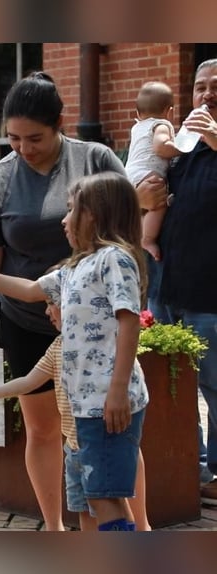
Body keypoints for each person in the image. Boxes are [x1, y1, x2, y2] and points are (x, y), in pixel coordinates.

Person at [0, 71, 127, 530]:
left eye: (33, 137)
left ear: (59, 124)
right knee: (43, 429)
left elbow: (125, 241)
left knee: (108, 433)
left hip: (96, 327)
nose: (22, 148)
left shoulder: (95, 160)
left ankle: (141, 528)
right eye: (12, 138)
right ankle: (54, 529)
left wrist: (73, 285)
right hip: (26, 321)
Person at [0, 170, 150, 531]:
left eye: (73, 209)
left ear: (96, 215)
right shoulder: (73, 268)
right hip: (85, 408)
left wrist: (118, 390)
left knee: (106, 499)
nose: (64, 219)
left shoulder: (114, 260)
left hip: (107, 404)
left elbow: (129, 320)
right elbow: (29, 289)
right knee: (93, 500)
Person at [0, 301, 151, 531]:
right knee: (86, 513)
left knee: (117, 510)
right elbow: (29, 382)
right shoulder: (58, 347)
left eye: (52, 304)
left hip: (102, 447)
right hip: (75, 450)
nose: (47, 311)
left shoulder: (104, 342)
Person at [139, 58, 217, 501]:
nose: (206, 94)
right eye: (199, 87)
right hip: (168, 289)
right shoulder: (184, 151)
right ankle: (195, 467)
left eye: (216, 86)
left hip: (211, 296)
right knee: (176, 386)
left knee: (214, 386)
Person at [124, 81, 180, 262]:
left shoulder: (137, 127)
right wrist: (182, 148)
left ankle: (141, 232)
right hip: (148, 172)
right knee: (158, 204)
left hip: (130, 173)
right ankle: (147, 239)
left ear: (137, 113)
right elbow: (161, 147)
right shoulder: (161, 124)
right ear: (169, 111)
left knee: (145, 209)